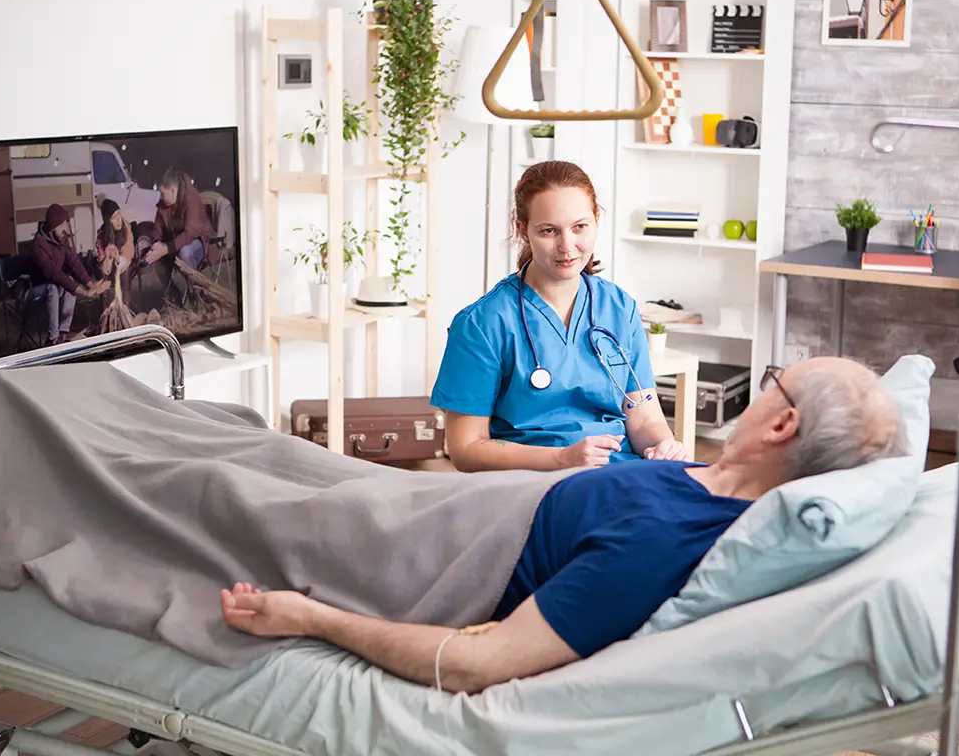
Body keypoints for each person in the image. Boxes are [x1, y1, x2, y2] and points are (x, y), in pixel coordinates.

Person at [220, 356, 904, 694]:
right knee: (249, 443)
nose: (762, 391)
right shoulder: (704, 478)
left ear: (782, 424)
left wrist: (312, 619)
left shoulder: (663, 545)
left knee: (220, 485)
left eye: (774, 382)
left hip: (427, 549)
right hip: (438, 503)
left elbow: (474, 664)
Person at [430, 160, 685, 472]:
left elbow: (644, 417)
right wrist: (561, 459)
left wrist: (663, 446)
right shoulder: (483, 324)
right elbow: (466, 449)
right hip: (534, 481)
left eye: (579, 227)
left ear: (596, 221)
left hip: (619, 470)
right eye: (549, 230)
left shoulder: (619, 308)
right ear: (522, 230)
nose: (567, 246)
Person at [32, 203, 105, 345]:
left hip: (52, 287)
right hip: (34, 289)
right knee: (56, 287)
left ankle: (63, 332)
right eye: (62, 226)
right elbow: (54, 273)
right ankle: (53, 339)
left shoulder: (61, 240)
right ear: (53, 227)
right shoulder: (39, 244)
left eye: (66, 224)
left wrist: (91, 284)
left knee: (68, 282)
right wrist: (83, 292)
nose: (66, 229)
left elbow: (74, 263)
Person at [140, 168, 220, 289]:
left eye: (163, 193)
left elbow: (190, 233)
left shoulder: (191, 198)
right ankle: (174, 298)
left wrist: (166, 249)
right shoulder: (164, 204)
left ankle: (195, 293)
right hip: (176, 242)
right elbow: (157, 229)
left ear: (172, 190)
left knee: (185, 252)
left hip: (201, 242)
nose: (161, 197)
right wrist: (157, 244)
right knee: (159, 261)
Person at [95, 199, 136, 300]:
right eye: (114, 217)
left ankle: (125, 304)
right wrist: (107, 256)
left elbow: (128, 255)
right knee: (103, 277)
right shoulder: (101, 236)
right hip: (110, 267)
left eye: (118, 214)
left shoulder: (126, 229)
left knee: (125, 271)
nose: (118, 219)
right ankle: (107, 307)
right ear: (108, 221)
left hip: (124, 265)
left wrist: (117, 257)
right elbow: (103, 268)